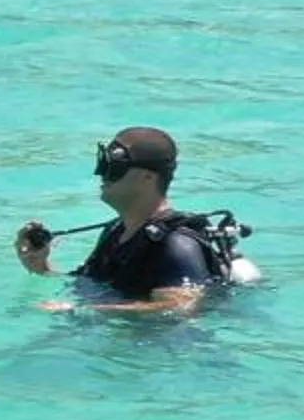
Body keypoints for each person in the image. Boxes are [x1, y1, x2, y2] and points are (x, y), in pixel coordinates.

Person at [16, 125, 235, 310]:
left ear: (147, 177)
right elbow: (94, 287)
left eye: (114, 166)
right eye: (103, 163)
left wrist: (84, 310)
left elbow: (178, 307)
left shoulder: (176, 244)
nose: (101, 173)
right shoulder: (115, 231)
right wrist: (43, 267)